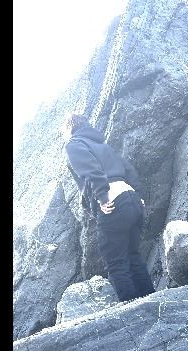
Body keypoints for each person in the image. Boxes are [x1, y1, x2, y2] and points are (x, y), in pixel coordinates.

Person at [62, 113, 156, 302]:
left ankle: (135, 315)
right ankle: (153, 303)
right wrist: (139, 195)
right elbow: (128, 168)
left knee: (116, 264)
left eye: (63, 131)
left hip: (113, 202)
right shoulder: (103, 146)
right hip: (132, 199)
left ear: (70, 127)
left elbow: (91, 171)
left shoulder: (73, 144)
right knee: (133, 256)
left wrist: (102, 197)